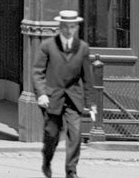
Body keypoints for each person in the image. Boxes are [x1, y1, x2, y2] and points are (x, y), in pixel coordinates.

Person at [33, 10, 96, 178]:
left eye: (73, 27)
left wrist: (91, 104)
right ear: (60, 27)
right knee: (51, 135)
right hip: (52, 98)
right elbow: (37, 72)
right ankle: (47, 161)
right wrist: (41, 94)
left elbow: (87, 78)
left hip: (74, 99)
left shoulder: (82, 48)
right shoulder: (47, 46)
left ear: (76, 28)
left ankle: (71, 171)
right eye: (66, 27)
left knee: (75, 135)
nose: (69, 31)